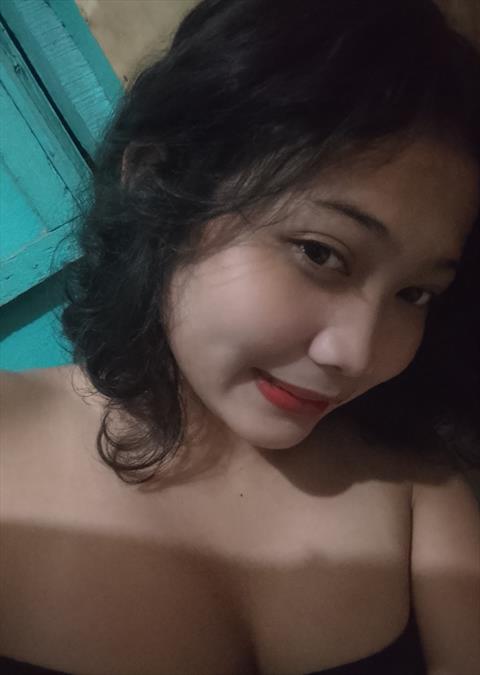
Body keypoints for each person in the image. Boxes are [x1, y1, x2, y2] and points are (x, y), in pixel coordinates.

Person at [1, 0, 479, 673]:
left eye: (415, 293)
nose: (358, 354)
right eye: (320, 253)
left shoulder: (415, 479)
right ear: (158, 186)